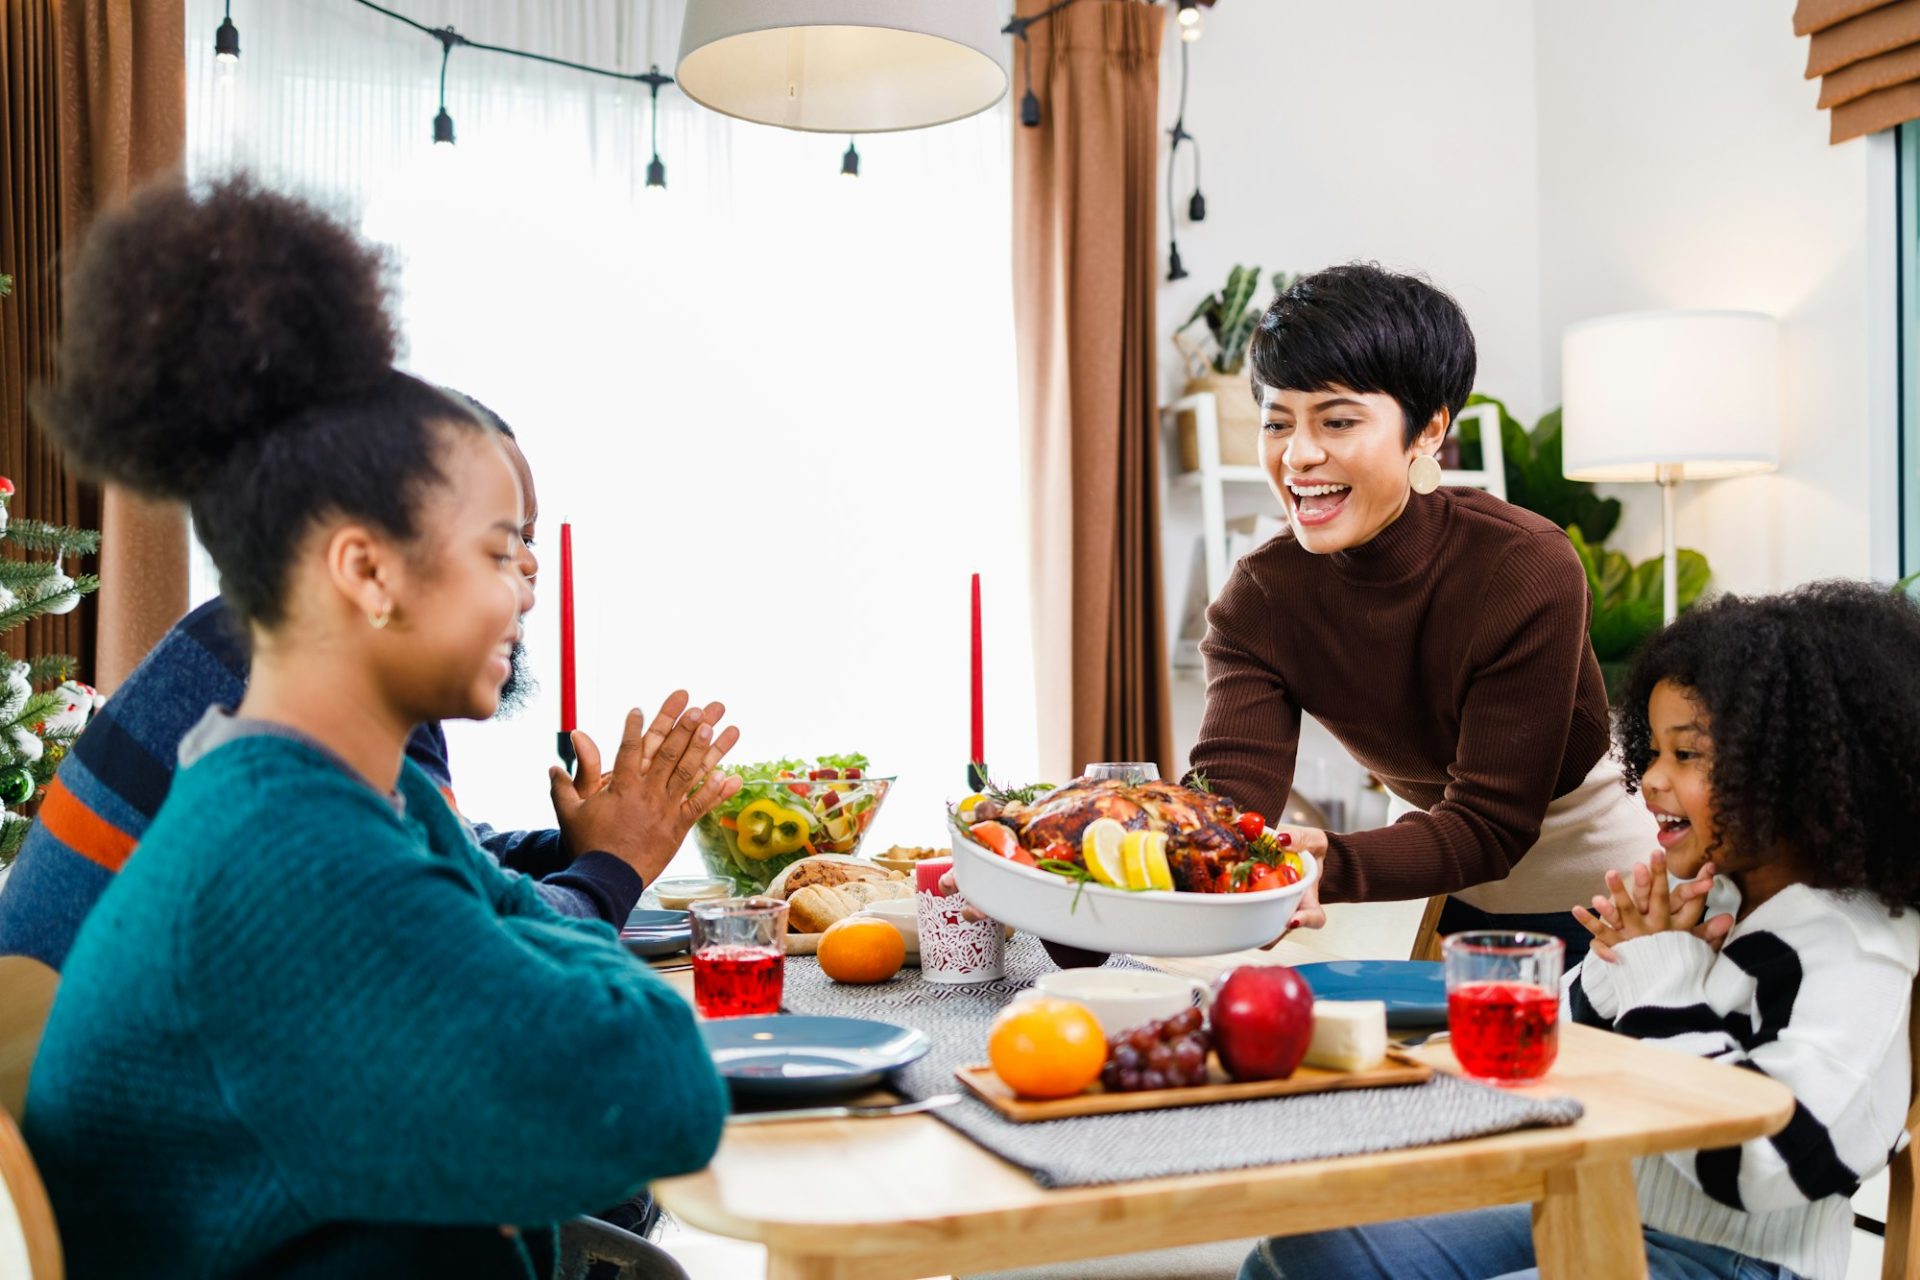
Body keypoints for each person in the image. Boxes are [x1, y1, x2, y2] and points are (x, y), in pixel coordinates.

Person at [22, 175, 732, 1278]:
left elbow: (498, 927)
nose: (527, 589)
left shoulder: (347, 797)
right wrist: (580, 968)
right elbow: (661, 1095)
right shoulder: (292, 863)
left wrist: (542, 957)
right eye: (502, 549)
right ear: (367, 571)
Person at [1243, 581, 1920, 1280]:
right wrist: (1614, 960)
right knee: (1297, 1256)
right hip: (1618, 1208)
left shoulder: (1850, 951)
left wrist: (1661, 969)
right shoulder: (1705, 898)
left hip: (1742, 1264)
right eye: (1651, 751)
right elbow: (1548, 1041)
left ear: (1795, 776)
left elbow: (1758, 1165)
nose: (1649, 780)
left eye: (1686, 756)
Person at [0, 396, 733, 962]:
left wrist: (574, 851)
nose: (530, 570)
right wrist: (618, 861)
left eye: (529, 539)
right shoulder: (305, 679)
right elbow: (486, 952)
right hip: (125, 1136)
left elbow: (438, 859)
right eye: (501, 540)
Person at [1188, 263, 1658, 959]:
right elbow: (1226, 811)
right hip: (1426, 878)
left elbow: (1493, 824)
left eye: (1338, 420)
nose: (1299, 454)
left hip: (1597, 893)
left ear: (1429, 430)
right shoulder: (1261, 598)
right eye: (1277, 422)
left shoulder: (1524, 566)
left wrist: (1331, 865)